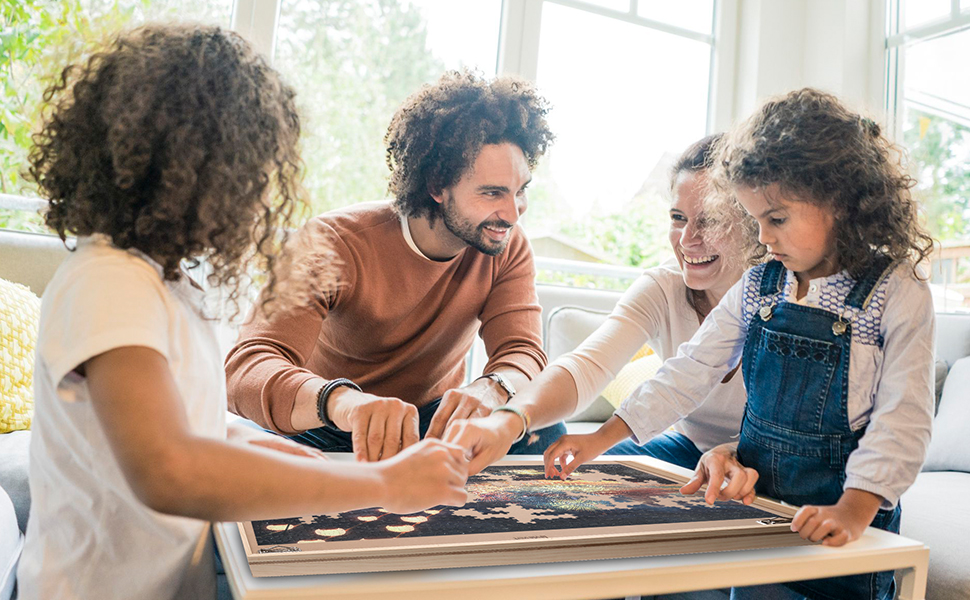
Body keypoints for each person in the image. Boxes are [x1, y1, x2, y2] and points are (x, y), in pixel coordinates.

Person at [17, 25, 468, 600]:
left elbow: (199, 417)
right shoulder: (108, 282)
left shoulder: (172, 277)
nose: (258, 190)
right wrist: (381, 483)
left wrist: (287, 451)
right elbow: (169, 468)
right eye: (253, 166)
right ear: (202, 167)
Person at [542, 88, 936, 600]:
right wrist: (603, 438)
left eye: (776, 219)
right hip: (757, 501)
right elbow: (691, 369)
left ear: (837, 201)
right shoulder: (760, 283)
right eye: (754, 222)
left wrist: (856, 507)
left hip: (845, 514)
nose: (764, 237)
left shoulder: (897, 291)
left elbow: (903, 417)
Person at [225, 69, 565, 462]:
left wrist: (492, 388)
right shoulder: (333, 241)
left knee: (543, 426)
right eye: (492, 193)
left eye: (520, 191)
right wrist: (344, 403)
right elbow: (247, 367)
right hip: (327, 421)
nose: (512, 213)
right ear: (437, 185)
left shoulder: (506, 244)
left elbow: (522, 352)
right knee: (237, 445)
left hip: (430, 423)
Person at [444, 134, 748, 475]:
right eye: (678, 218)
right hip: (689, 449)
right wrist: (510, 419)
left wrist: (732, 452)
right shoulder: (663, 287)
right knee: (592, 473)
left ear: (751, 222)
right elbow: (588, 366)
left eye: (709, 220)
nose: (688, 239)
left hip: (772, 458)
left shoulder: (780, 294)